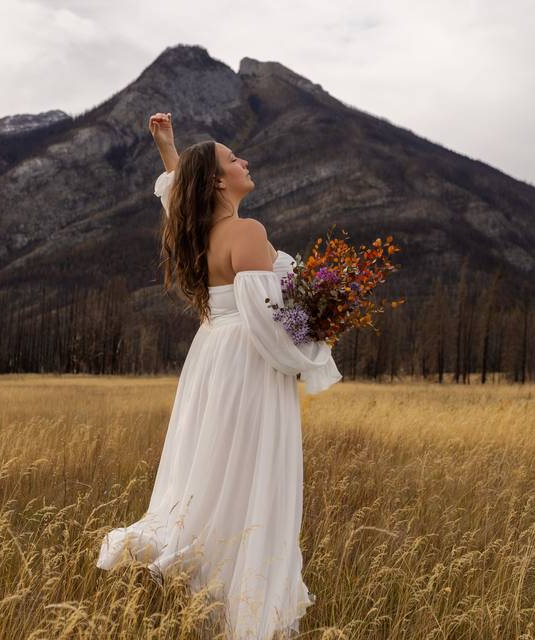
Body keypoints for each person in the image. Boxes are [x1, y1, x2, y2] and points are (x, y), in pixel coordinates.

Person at [95, 112, 342, 639]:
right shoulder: (247, 232)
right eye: (234, 159)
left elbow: (178, 200)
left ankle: (211, 602)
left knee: (214, 475)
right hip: (250, 366)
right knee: (252, 482)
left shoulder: (198, 235)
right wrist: (319, 334)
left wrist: (169, 150)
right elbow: (273, 326)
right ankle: (248, 615)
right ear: (217, 181)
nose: (244, 161)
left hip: (212, 361)